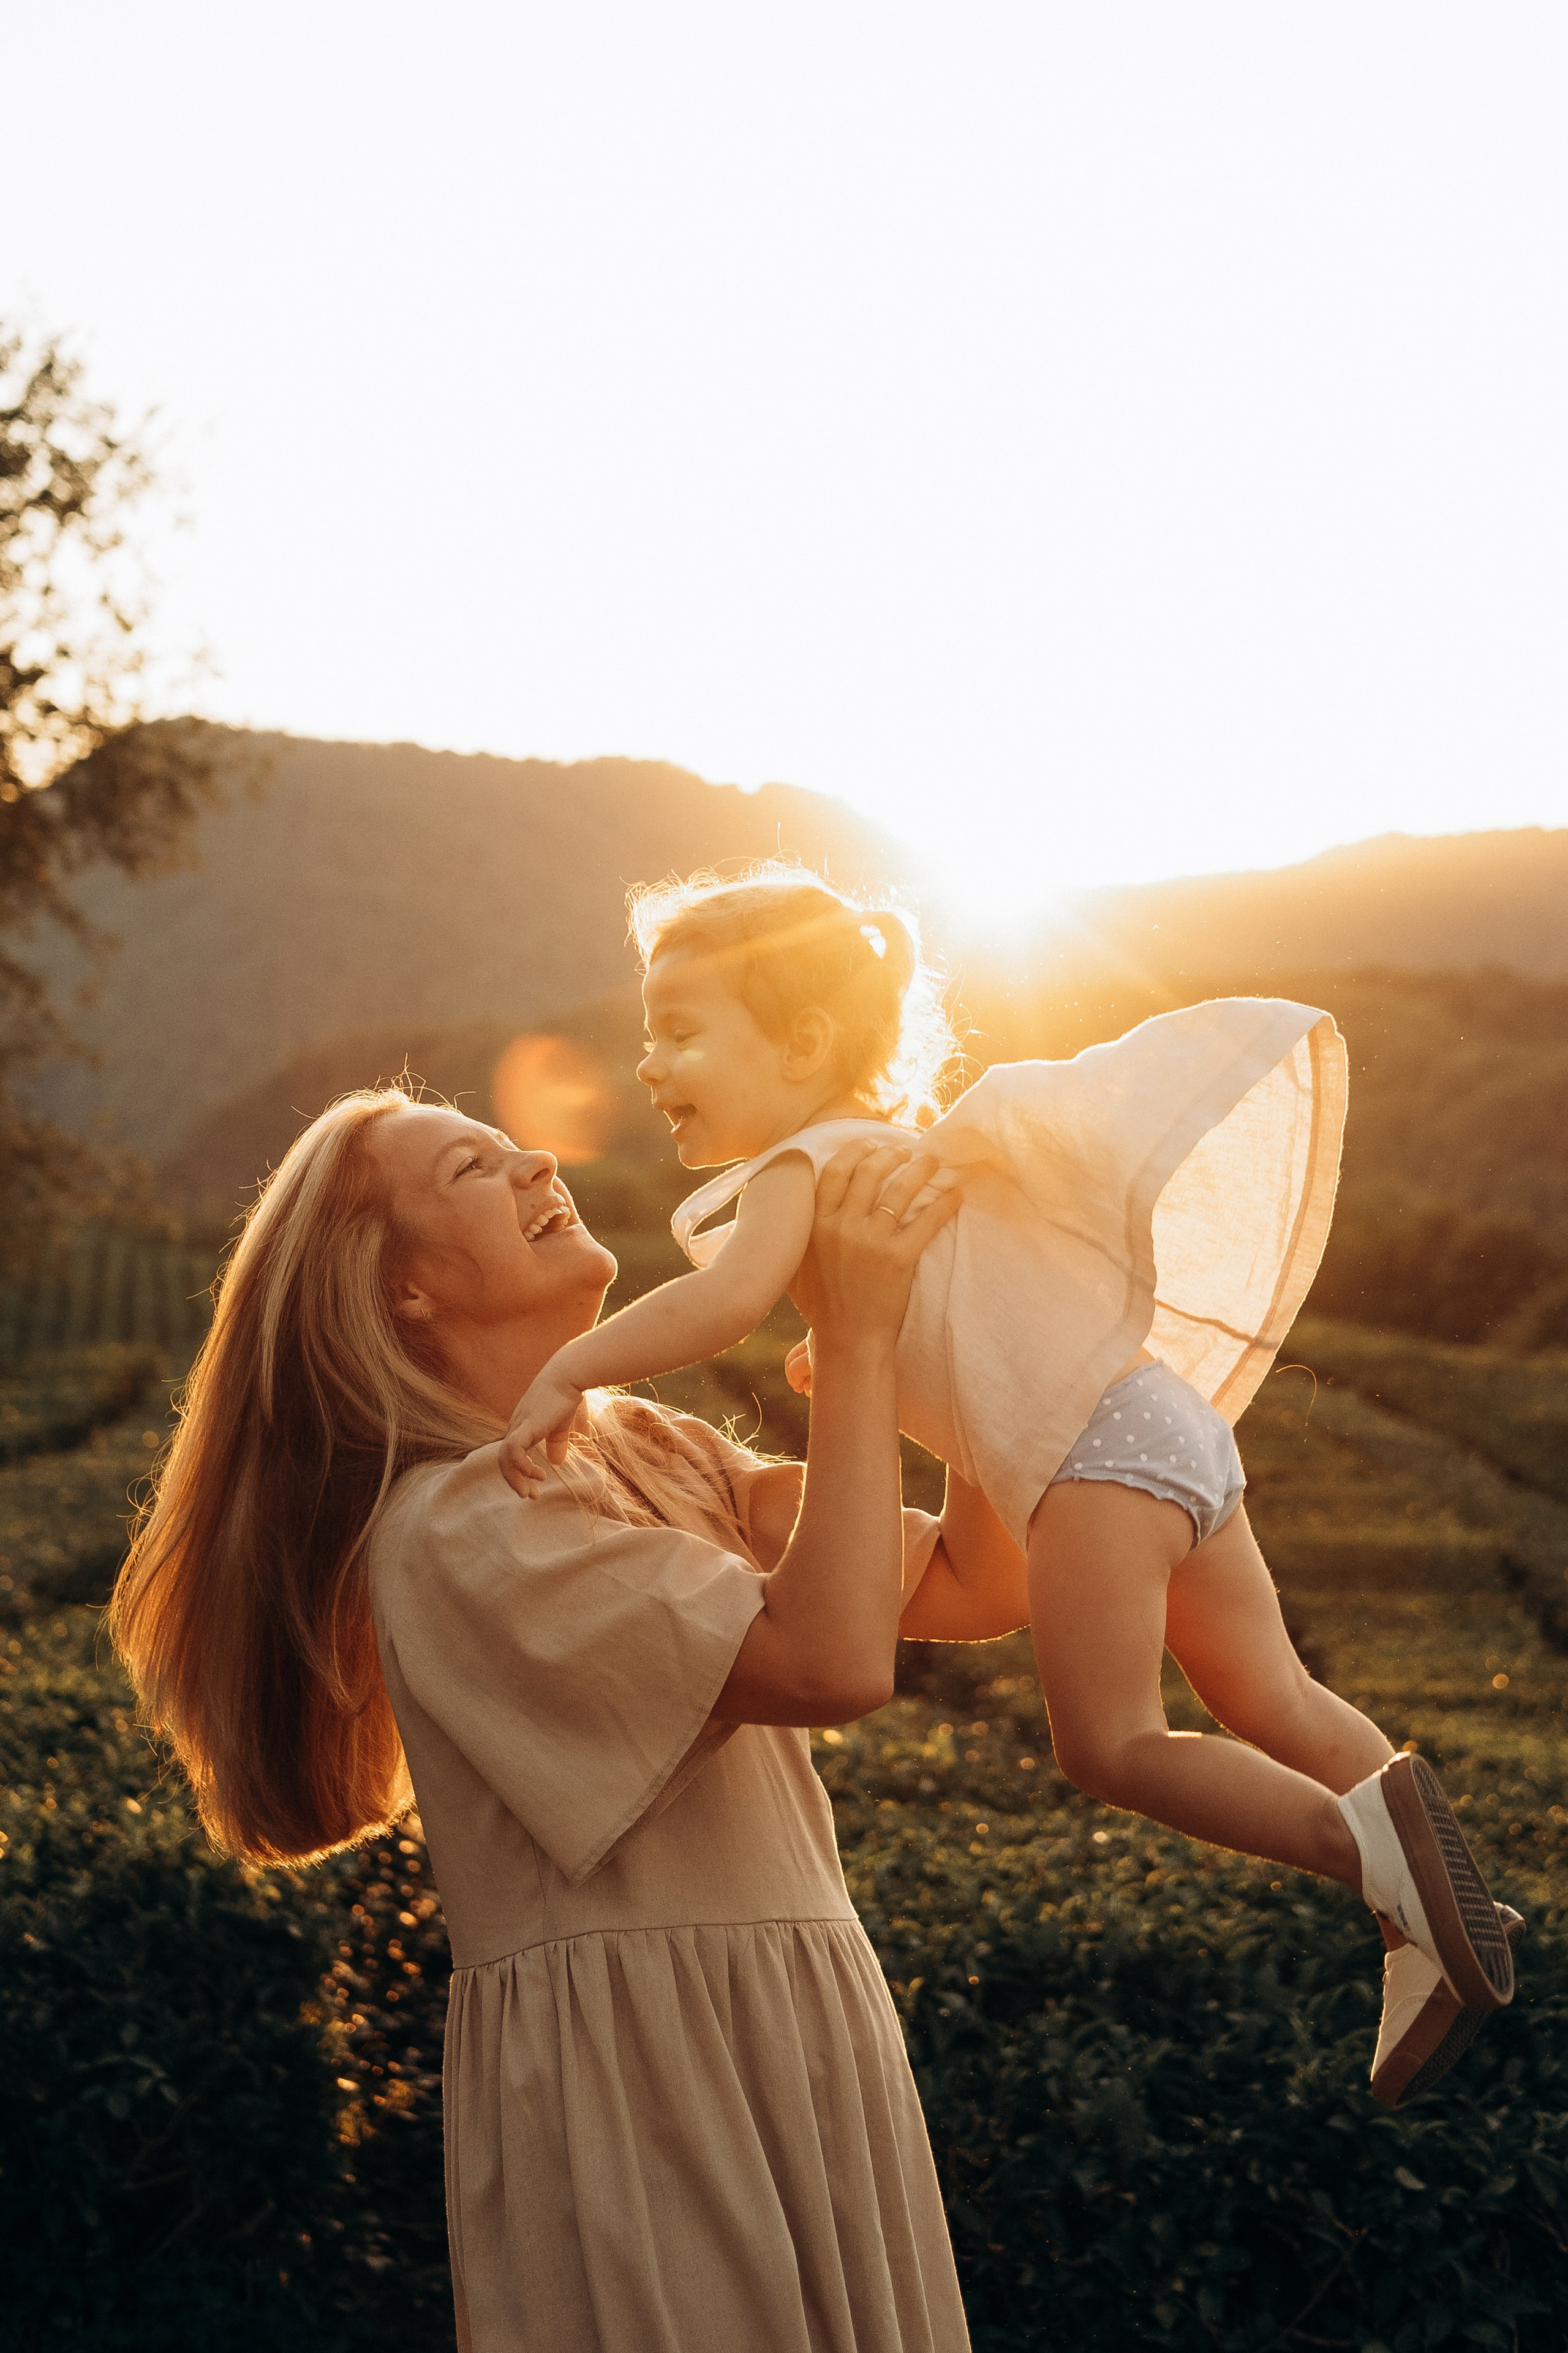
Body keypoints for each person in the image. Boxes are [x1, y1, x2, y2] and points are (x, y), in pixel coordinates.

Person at [498, 863, 1518, 2107]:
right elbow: (969, 1330)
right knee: (1270, 1689)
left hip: (1089, 1461)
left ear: (801, 1042)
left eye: (679, 1031)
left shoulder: (801, 1166)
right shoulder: (890, 1153)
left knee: (1111, 1744)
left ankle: (1368, 1858)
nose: (648, 1064)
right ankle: (1439, 1908)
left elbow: (714, 1300)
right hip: (1157, 1423)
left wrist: (571, 1366)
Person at [110, 1079, 1039, 2353]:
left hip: (799, 2030)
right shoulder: (459, 1529)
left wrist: (962, 1329)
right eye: (471, 1168)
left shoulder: (644, 1447)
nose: (538, 1159)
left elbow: (976, 1583)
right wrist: (861, 1346)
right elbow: (829, 1664)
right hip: (648, 2083)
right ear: (403, 1290)